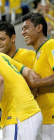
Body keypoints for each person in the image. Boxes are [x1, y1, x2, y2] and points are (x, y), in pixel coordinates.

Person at [21, 12, 54, 140]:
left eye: (26, 28)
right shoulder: (36, 55)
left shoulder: (50, 45)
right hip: (43, 118)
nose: (23, 32)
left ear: (39, 28)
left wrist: (35, 84)